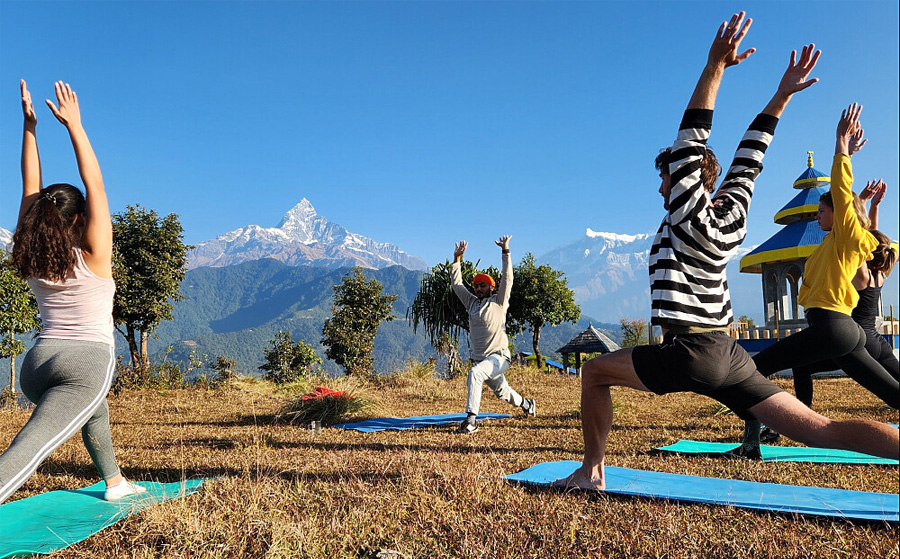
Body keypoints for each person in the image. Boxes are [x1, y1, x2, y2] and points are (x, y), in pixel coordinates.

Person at [553, 12, 899, 490]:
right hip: (728, 352)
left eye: (666, 178)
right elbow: (750, 158)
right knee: (820, 430)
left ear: (688, 179)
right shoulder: (732, 212)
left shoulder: (687, 212)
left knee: (593, 372)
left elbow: (691, 138)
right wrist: (781, 96)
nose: (662, 186)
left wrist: (714, 66)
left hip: (690, 351)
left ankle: (591, 471)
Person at [0, 80, 146, 503]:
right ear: (80, 219)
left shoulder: (30, 254)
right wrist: (75, 126)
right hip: (86, 363)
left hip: (37, 365)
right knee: (29, 449)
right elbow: (95, 184)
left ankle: (115, 483)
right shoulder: (94, 255)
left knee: (92, 408)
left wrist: (30, 127)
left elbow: (30, 187)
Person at [735, 123, 900, 454]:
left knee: (751, 369)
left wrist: (841, 146)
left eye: (822, 211)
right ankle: (762, 433)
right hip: (844, 332)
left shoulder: (846, 238)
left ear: (838, 214)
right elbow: (853, 211)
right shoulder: (834, 243)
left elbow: (841, 190)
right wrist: (863, 202)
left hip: (832, 327)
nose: (817, 215)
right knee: (895, 396)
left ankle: (753, 442)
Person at [790, 181, 899, 408]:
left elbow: (859, 236)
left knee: (801, 366)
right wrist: (871, 206)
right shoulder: (880, 273)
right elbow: (870, 237)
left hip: (857, 340)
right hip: (877, 341)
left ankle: (804, 414)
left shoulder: (859, 271)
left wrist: (863, 204)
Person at [451, 235, 535, 434]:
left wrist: (505, 251)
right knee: (503, 392)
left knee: (475, 374)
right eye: (476, 285)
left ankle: (471, 421)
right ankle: (527, 404)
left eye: (483, 285)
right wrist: (457, 259)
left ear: (492, 287)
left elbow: (508, 278)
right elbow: (456, 285)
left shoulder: (499, 301)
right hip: (482, 360)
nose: (478, 288)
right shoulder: (471, 303)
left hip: (499, 357)